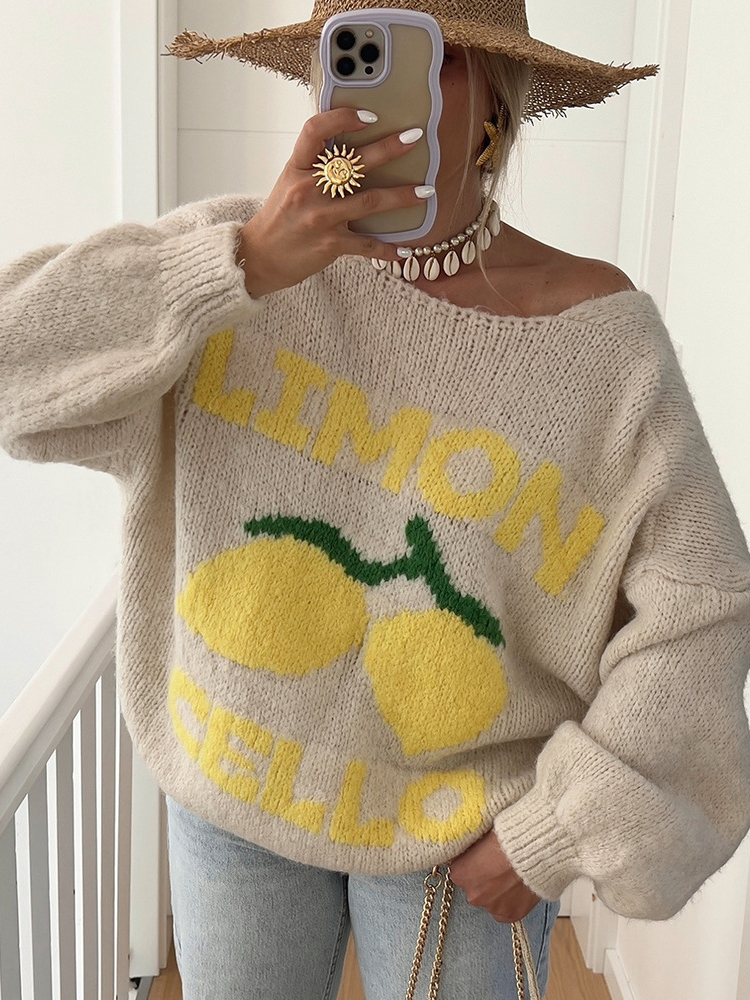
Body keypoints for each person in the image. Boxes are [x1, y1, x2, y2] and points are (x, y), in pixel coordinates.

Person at [2, 1, 749, 998]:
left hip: (461, 839)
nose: (386, 94)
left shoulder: (604, 345)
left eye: (430, 58)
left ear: (496, 100)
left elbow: (702, 606)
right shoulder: (227, 260)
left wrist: (555, 831)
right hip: (233, 806)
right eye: (354, 54)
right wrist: (241, 265)